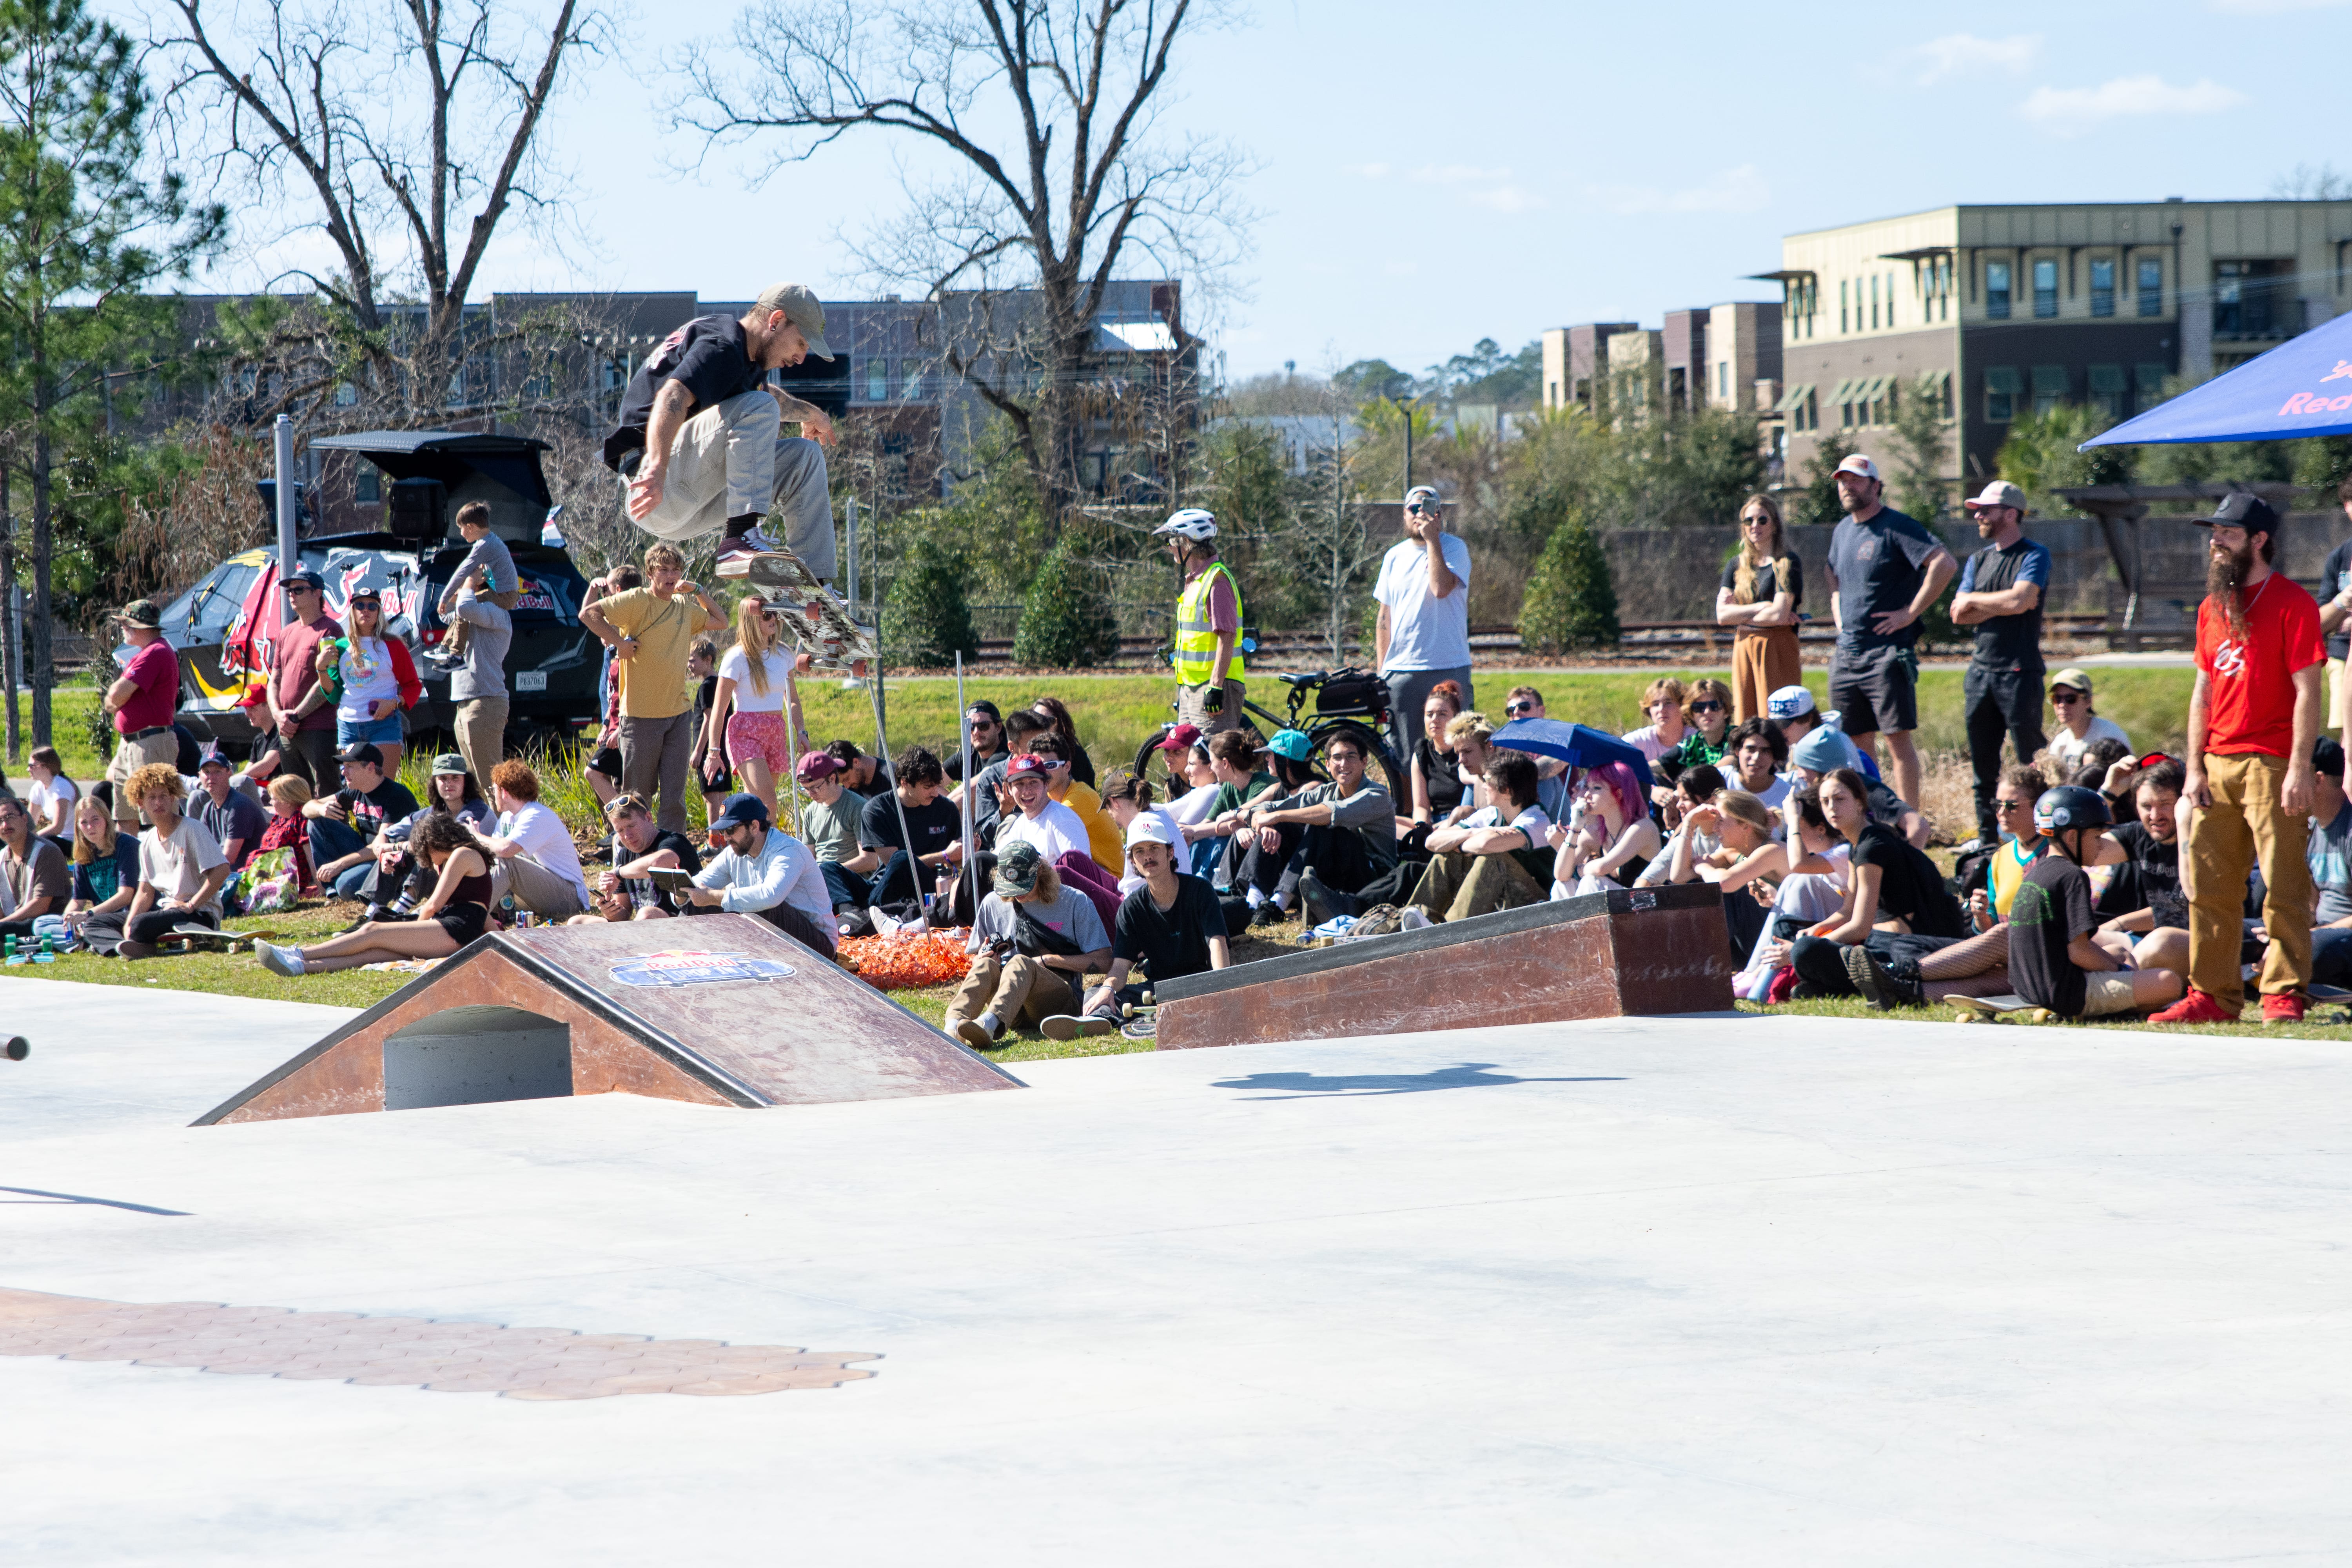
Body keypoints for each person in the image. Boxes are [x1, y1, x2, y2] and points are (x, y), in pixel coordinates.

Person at [2152, 494, 2326, 1025]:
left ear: (2258, 539)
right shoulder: (2211, 607)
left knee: (2285, 885)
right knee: (2209, 889)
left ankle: (2283, 994)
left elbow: (2308, 692)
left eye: (2226, 532)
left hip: (2273, 763)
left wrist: (2299, 767)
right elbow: (2201, 693)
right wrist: (2194, 769)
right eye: (2214, 531)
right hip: (2217, 764)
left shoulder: (2293, 603)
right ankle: (2213, 996)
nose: (2215, 540)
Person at [604, 284, 841, 579]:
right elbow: (673, 397)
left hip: (690, 502)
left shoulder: (745, 361)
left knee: (805, 457)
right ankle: (740, 538)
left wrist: (811, 414)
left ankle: (817, 586)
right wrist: (656, 466)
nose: (801, 358)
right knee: (759, 406)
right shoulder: (723, 343)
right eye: (802, 344)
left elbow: (770, 397)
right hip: (653, 486)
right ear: (776, 321)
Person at [1966, 786, 2184, 1021]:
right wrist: (2119, 971)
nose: (2102, 845)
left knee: (2119, 952)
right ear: (2072, 837)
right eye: (2097, 837)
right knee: (2169, 982)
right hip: (2069, 993)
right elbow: (2080, 952)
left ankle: (2122, 999)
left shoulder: (2038, 873)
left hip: (2028, 988)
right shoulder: (2073, 877)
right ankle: (2111, 1012)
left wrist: (2115, 963)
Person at [1822, 453, 1958, 813]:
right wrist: (1839, 613)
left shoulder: (1896, 526)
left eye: (1855, 480)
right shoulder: (1842, 530)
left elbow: (1944, 563)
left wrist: (1910, 613)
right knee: (1856, 745)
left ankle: (1911, 825)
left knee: (1898, 744)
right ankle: (1875, 818)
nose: (1848, 487)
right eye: (1842, 482)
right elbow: (1831, 573)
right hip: (1848, 652)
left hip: (1886, 652)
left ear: (1876, 486)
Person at [580, 543, 728, 835]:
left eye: (676, 570)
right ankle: (636, 858)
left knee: (675, 799)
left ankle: (674, 854)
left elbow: (722, 621)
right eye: (664, 570)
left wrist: (698, 589)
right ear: (650, 573)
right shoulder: (635, 600)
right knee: (637, 798)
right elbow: (588, 614)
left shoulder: (685, 605)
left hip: (678, 714)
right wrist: (618, 643)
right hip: (639, 717)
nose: (671, 576)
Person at [1786, 767, 1968, 997]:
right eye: (1825, 801)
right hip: (1880, 943)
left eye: (1840, 799)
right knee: (1793, 931)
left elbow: (1860, 926)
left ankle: (1852, 984)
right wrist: (1816, 931)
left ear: (1860, 802)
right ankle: (1845, 986)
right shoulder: (1858, 845)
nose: (1832, 807)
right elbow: (1847, 912)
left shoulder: (1873, 846)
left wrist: (1802, 948)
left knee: (1805, 951)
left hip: (1905, 947)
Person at [1051, 815, 1230, 1040]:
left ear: (1170, 853)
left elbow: (1217, 944)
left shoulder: (1200, 891)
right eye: (1139, 852)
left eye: (1154, 848)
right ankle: (1097, 1021)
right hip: (1159, 989)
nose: (1148, 856)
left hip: (1200, 983)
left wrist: (1224, 986)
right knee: (1097, 991)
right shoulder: (1131, 909)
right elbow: (1120, 969)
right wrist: (1108, 989)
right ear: (1133, 862)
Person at [257, 813, 492, 978]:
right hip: (452, 928)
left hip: (454, 928)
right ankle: (301, 966)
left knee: (373, 930)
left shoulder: (463, 854)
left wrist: (416, 931)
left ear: (437, 842)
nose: (426, 860)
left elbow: (432, 906)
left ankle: (299, 953)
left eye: (427, 852)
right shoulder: (455, 856)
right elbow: (482, 909)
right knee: (375, 953)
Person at [1951, 480, 2052, 851]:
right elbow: (1958, 614)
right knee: (1983, 767)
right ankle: (1987, 839)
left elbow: (2023, 600)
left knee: (2031, 762)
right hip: (1981, 672)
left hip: (2020, 671)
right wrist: (1999, 601)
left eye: (1986, 510)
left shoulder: (2034, 555)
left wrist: (1977, 600)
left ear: (2010, 514)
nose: (1978, 515)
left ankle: (2042, 835)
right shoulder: (1978, 559)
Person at [944, 840, 1111, 1049]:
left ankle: (988, 1025)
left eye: (1024, 885)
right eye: (1010, 887)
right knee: (985, 966)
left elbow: (1104, 961)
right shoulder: (991, 903)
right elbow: (974, 958)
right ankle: (952, 1028)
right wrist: (981, 958)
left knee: (1020, 963)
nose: (1017, 893)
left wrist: (1047, 960)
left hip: (1057, 1003)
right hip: (1012, 1008)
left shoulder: (1074, 902)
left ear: (1040, 872)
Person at [1239, 730, 1397, 927]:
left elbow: (1331, 813)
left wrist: (1277, 816)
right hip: (1333, 871)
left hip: (1372, 879)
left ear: (1364, 762)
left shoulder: (1377, 794)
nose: (1344, 764)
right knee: (1280, 825)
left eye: (1351, 757)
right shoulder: (1326, 791)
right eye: (1337, 758)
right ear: (1328, 765)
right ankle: (1251, 905)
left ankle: (1278, 905)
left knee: (1322, 827)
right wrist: (1266, 825)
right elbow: (1265, 808)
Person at [1375, 484, 1474, 760]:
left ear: (1438, 515)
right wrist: (1383, 672)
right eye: (1413, 508)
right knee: (1403, 756)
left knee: (1457, 751)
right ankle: (1409, 806)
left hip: (1449, 666)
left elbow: (1441, 589)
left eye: (1427, 507)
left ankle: (1454, 805)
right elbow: (1385, 617)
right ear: (1404, 514)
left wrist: (1433, 540)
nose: (1419, 513)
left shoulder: (1455, 548)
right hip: (1402, 671)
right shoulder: (1393, 556)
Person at [91, 763, 229, 960]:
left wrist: (191, 905)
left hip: (198, 913)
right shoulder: (146, 839)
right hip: (166, 910)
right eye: (152, 798)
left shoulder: (193, 829)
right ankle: (124, 947)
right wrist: (129, 921)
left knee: (141, 925)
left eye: (163, 796)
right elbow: (145, 891)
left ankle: (140, 945)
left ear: (173, 798)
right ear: (141, 803)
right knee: (96, 923)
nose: (158, 803)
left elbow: (222, 871)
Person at [1401, 751, 1553, 923]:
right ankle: (1413, 921)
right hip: (1505, 897)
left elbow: (1487, 844)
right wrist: (1472, 833)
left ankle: (1449, 930)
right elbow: (1432, 841)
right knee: (1448, 856)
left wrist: (1461, 843)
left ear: (1507, 791)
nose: (1483, 786)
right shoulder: (1493, 813)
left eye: (1488, 781)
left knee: (1493, 860)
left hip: (1538, 904)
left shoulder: (1537, 820)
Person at [677, 792, 837, 954]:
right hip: (777, 938)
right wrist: (681, 892)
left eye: (731, 830)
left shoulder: (787, 850)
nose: (726, 837)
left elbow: (771, 896)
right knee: (697, 901)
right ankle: (684, 956)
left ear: (754, 827)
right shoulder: (733, 853)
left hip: (819, 945)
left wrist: (713, 897)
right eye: (724, 831)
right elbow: (699, 884)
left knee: (761, 905)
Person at [1661, 789, 1797, 962]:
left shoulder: (1773, 850)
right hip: (1760, 938)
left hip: (1790, 936)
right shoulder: (1731, 852)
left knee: (1735, 889)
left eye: (1721, 821)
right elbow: (1679, 876)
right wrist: (1689, 825)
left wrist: (1704, 868)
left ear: (1745, 826)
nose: (1715, 828)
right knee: (1704, 885)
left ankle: (1702, 960)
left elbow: (1725, 883)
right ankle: (1700, 959)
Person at [354, 756, 494, 924]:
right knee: (403, 845)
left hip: (475, 882)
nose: (449, 784)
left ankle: (396, 914)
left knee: (432, 849)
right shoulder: (435, 811)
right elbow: (386, 835)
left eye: (455, 778)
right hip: (448, 878)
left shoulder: (476, 810)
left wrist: (396, 847)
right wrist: (384, 854)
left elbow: (444, 846)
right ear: (434, 783)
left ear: (466, 782)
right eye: (443, 778)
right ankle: (371, 915)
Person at [435, 500, 515, 787]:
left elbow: (466, 608)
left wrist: (463, 587)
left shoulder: (496, 614)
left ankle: (505, 831)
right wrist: (450, 603)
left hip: (486, 701)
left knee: (493, 786)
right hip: (466, 702)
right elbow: (457, 616)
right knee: (477, 788)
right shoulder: (475, 613)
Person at [703, 594, 806, 817]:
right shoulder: (736, 658)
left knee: (756, 805)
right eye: (767, 614)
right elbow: (719, 710)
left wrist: (802, 731)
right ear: (751, 619)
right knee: (769, 803)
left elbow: (793, 700)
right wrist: (713, 752)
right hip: (745, 731)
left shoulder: (784, 654)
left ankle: (745, 847)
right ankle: (773, 849)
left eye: (775, 614)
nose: (774, 619)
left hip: (776, 730)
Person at [1152, 507, 1247, 737]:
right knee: (1188, 759)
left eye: (1170, 541)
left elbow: (1227, 637)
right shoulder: (1196, 581)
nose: (1168, 547)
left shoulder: (1217, 580)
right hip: (1189, 687)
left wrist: (1215, 687)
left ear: (1185, 542)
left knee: (1211, 760)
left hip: (1214, 687)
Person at [2095, 757, 2189, 981]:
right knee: (2085, 939)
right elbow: (2079, 848)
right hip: (2152, 943)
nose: (2155, 816)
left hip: (2204, 946)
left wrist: (2122, 924)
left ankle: (2106, 991)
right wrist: (2109, 792)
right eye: (2147, 806)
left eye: (2165, 804)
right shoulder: (2138, 835)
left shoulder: (2203, 837)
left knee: (2162, 940)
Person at [842, 745, 962, 912]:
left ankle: (867, 914)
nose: (936, 793)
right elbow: (897, 866)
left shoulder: (947, 809)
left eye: (937, 785)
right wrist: (945, 856)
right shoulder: (876, 810)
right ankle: (848, 916)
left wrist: (965, 852)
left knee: (903, 858)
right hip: (889, 884)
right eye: (928, 787)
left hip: (932, 883)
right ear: (905, 782)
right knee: (829, 870)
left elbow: (957, 860)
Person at [318, 586, 421, 779]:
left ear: (379, 612)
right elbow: (333, 695)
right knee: (354, 788)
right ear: (352, 611)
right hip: (349, 725)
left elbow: (413, 686)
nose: (366, 610)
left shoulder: (393, 645)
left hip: (384, 724)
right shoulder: (340, 647)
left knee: (382, 786)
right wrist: (321, 669)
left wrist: (393, 703)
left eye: (372, 606)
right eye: (360, 606)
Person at [99, 598, 184, 830]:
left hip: (150, 742)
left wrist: (117, 698)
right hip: (132, 743)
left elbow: (115, 696)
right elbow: (114, 699)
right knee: (125, 815)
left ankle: (162, 865)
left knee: (157, 818)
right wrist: (117, 698)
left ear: (140, 627)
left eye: (126, 624)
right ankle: (132, 866)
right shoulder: (145, 652)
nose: (123, 629)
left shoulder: (156, 652)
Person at [1717, 493, 1802, 721]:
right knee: (1745, 721)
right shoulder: (1736, 565)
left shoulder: (1787, 563)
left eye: (1763, 520)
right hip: (1744, 646)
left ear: (1775, 525)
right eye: (1749, 521)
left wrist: (1741, 615)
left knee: (1778, 721)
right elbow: (1722, 616)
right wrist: (1763, 606)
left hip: (1777, 647)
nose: (1755, 526)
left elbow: (1779, 614)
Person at [474, 758, 591, 923]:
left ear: (504, 792)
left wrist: (477, 836)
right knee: (487, 863)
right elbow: (493, 852)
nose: (493, 795)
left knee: (507, 863)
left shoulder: (537, 815)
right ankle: (457, 911)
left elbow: (505, 850)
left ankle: (471, 919)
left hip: (569, 898)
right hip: (535, 892)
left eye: (493, 790)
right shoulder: (507, 817)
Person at [260, 570, 343, 793]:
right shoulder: (286, 633)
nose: (292, 595)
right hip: (287, 729)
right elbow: (275, 679)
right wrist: (278, 714)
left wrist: (296, 715)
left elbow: (329, 677)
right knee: (295, 794)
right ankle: (302, 830)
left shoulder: (330, 630)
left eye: (299, 589)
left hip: (318, 727)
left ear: (318, 593)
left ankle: (333, 830)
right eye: (289, 591)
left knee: (328, 792)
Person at [302, 742, 420, 899]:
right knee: (317, 821)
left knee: (346, 886)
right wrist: (321, 809)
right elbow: (306, 808)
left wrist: (340, 864)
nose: (344, 772)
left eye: (350, 766)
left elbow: (382, 846)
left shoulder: (396, 796)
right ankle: (331, 889)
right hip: (364, 850)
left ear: (370, 767)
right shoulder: (354, 792)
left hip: (390, 857)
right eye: (344, 767)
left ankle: (391, 887)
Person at [1787, 726, 1929, 850]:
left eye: (1803, 767)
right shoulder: (1821, 792)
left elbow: (1919, 826)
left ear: (1819, 767)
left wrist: (1906, 867)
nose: (1799, 775)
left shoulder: (1864, 788)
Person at [575, 792, 703, 923]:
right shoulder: (625, 855)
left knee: (647, 914)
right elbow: (624, 915)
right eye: (620, 831)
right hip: (643, 927)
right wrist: (610, 911)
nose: (627, 836)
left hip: (686, 923)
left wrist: (618, 873)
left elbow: (656, 863)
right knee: (577, 922)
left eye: (631, 826)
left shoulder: (674, 842)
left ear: (648, 818)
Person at [426, 499, 520, 666]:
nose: (461, 533)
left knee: (465, 606)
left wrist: (445, 598)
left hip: (505, 596)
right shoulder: (493, 541)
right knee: (463, 604)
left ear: (470, 527)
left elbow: (462, 571)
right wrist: (456, 594)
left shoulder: (484, 545)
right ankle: (446, 646)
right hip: (504, 594)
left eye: (461, 528)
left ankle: (456, 655)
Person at [1549, 761, 1658, 893]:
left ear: (1618, 794)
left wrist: (1580, 870)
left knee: (1591, 881)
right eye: (1588, 788)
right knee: (1563, 885)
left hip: (1647, 905)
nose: (1587, 795)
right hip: (1615, 906)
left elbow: (1602, 868)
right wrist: (1575, 827)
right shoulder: (1593, 834)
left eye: (1597, 788)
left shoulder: (1643, 827)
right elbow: (1561, 875)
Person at [794, 752, 872, 922]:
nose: (811, 794)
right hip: (820, 881)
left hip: (850, 883)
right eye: (805, 789)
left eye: (815, 787)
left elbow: (870, 861)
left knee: (827, 870)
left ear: (832, 779)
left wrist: (830, 873)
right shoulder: (811, 811)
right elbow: (808, 857)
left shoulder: (858, 807)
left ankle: (850, 919)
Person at [2307, 739, 2352, 990]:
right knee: (2238, 936)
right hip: (2318, 932)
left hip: (2342, 939)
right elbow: (2309, 905)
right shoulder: (2310, 828)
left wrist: (2309, 937)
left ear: (2317, 780)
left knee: (2313, 950)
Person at [0, 791, 70, 945]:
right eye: (0, 821)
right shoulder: (1, 858)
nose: (5, 825)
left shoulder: (46, 851)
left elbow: (40, 906)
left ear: (25, 819)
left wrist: (4, 924)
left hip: (46, 924)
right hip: (14, 924)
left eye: (10, 817)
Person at [1403, 678, 1467, 844]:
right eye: (1429, 714)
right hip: (1435, 824)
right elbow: (1421, 806)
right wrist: (1422, 828)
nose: (1435, 720)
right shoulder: (1423, 752)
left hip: (1464, 822)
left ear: (1456, 718)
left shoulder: (1467, 750)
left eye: (1442, 714)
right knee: (1389, 823)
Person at [1098, 771, 1184, 895]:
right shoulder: (1164, 817)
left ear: (1114, 802)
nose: (1110, 815)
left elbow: (1131, 892)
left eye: (1107, 808)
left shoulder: (1140, 826)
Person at [686, 633, 733, 834]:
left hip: (710, 751)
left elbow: (708, 719)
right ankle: (722, 839)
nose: (690, 665)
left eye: (693, 661)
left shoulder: (707, 687)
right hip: (723, 748)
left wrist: (698, 751)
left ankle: (715, 839)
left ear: (708, 660)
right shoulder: (722, 685)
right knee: (720, 794)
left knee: (711, 796)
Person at [192, 745, 267, 873]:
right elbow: (204, 849)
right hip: (227, 876)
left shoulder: (238, 806)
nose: (211, 777)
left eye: (218, 771)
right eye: (207, 772)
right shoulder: (208, 808)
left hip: (247, 878)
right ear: (200, 776)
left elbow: (228, 859)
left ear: (229, 773)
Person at [2316, 474, 2352, 739]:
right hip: (2342, 652)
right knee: (2347, 737)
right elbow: (2317, 622)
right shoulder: (2340, 556)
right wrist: (2343, 601)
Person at [2044, 667, 2131, 771]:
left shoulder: (2110, 735)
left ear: (2088, 702)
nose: (2062, 705)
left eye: (2070, 699)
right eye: (2057, 699)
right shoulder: (2059, 743)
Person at [1659, 678, 1734, 780]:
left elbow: (1728, 762)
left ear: (1726, 712)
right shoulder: (1692, 744)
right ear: (1692, 714)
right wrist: (1656, 790)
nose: (1707, 712)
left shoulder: (1737, 737)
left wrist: (1687, 784)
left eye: (1714, 706)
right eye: (1699, 707)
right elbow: (1654, 766)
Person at [1722, 718, 1790, 814]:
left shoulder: (1788, 796)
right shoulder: (1719, 780)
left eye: (1766, 751)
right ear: (1738, 751)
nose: (1756, 757)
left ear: (1775, 756)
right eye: (1751, 749)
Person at [1028, 696, 1096, 790]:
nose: (1043, 726)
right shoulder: (1025, 753)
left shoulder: (1076, 755)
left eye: (1050, 721)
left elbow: (1087, 794)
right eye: (1037, 720)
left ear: (1060, 724)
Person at [1621, 678, 1688, 764]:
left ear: (1683, 706)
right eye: (1656, 704)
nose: (1662, 709)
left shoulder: (1697, 740)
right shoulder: (1638, 741)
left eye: (1668, 703)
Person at [946, 700, 1011, 783]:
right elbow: (928, 782)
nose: (976, 732)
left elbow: (980, 785)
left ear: (998, 727)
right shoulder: (967, 756)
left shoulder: (1007, 756)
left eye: (984, 726)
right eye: (971, 727)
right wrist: (946, 797)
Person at [24, 746, 75, 849]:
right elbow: (30, 824)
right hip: (58, 839)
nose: (28, 769)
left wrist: (33, 839)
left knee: (45, 839)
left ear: (45, 766)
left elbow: (57, 828)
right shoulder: (38, 788)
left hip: (74, 842)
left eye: (32, 765)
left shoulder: (61, 786)